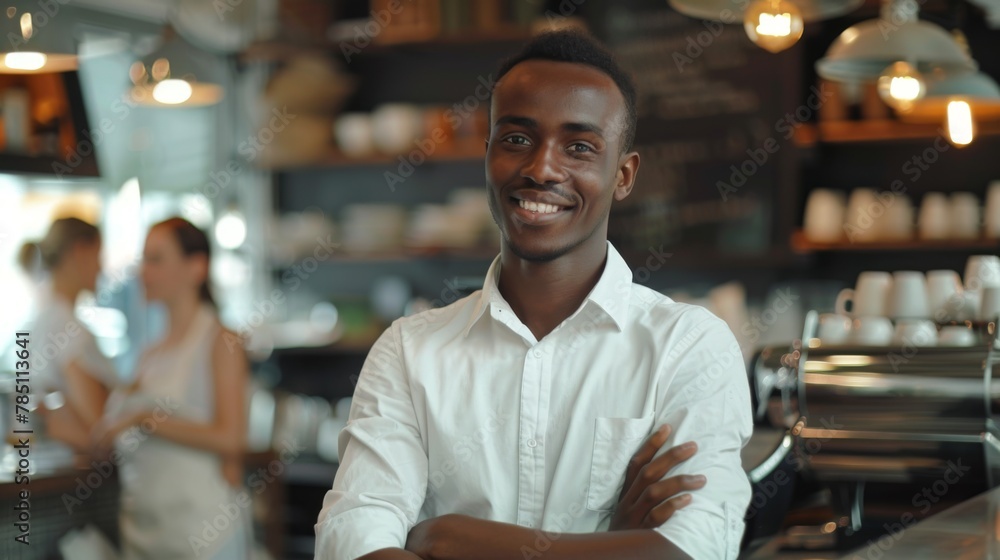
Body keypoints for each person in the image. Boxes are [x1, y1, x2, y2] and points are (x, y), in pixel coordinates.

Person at [315, 30, 752, 560]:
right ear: (488, 155)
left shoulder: (688, 347)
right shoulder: (409, 351)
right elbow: (353, 541)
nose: (542, 168)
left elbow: (697, 550)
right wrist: (608, 545)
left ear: (624, 175)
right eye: (517, 139)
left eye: (580, 147)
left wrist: (447, 537)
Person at [94, 217, 250, 560]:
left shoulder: (221, 341)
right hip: (142, 532)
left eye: (156, 259)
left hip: (200, 533)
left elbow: (231, 438)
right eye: (143, 259)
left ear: (196, 267)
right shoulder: (150, 353)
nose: (143, 272)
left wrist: (144, 420)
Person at [19, 217, 117, 450]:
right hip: (76, 471)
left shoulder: (41, 321)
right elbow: (99, 431)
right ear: (80, 252)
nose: (101, 268)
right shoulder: (67, 329)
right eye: (98, 256)